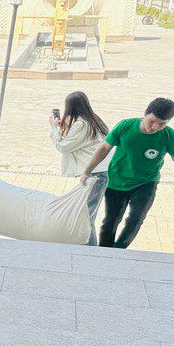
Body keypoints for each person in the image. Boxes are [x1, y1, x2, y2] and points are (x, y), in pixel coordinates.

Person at [80, 97, 174, 249]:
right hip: (117, 181)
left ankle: (119, 250)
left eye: (162, 124)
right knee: (110, 221)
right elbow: (104, 148)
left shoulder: (171, 137)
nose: (155, 127)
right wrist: (87, 171)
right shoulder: (125, 126)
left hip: (146, 182)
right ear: (145, 113)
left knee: (136, 218)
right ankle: (105, 251)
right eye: (152, 121)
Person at [49, 91, 109, 246]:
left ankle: (90, 252)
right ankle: (87, 249)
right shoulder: (94, 120)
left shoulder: (82, 125)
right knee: (86, 215)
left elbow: (63, 146)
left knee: (86, 217)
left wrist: (55, 128)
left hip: (94, 175)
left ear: (70, 108)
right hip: (97, 173)